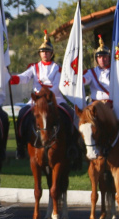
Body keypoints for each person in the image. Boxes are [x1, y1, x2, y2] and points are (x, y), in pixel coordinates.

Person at [10, 31, 81, 162]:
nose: (45, 54)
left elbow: (57, 85)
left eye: (47, 52)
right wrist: (11, 78)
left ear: (52, 53)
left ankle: (72, 144)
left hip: (54, 99)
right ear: (39, 54)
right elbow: (24, 77)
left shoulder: (58, 68)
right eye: (42, 52)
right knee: (22, 115)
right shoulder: (34, 67)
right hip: (36, 100)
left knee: (71, 114)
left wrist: (46, 94)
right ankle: (21, 145)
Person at [78, 35, 119, 164]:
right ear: (97, 59)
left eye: (105, 57)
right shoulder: (91, 72)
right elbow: (83, 81)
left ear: (109, 58)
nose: (102, 59)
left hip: (113, 106)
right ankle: (77, 154)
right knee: (80, 126)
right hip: (95, 109)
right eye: (100, 57)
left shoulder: (116, 70)